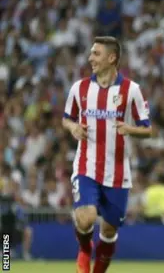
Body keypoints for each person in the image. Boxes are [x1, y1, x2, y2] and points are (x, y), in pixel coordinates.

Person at [62, 36, 153, 273]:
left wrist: (129, 129)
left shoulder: (131, 90)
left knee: (109, 231)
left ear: (111, 58)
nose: (90, 58)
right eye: (91, 53)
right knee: (86, 218)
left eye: (96, 54)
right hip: (86, 166)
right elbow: (67, 118)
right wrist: (73, 128)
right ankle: (83, 250)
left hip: (118, 173)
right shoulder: (79, 88)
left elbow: (148, 128)